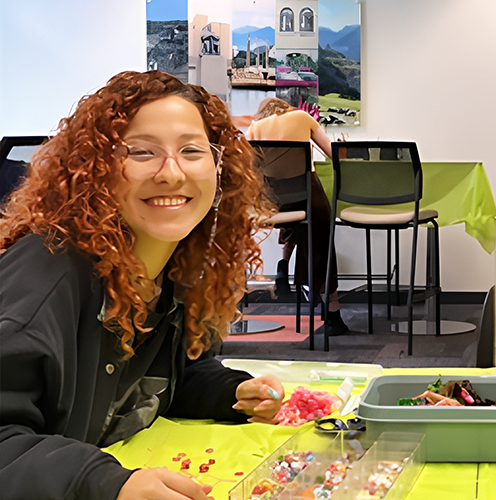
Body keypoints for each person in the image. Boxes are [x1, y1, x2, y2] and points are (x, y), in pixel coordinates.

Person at [0, 71, 287, 500]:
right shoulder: (48, 275)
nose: (171, 173)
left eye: (191, 150)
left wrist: (232, 391)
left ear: (218, 167)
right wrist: (105, 484)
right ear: (95, 167)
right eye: (141, 152)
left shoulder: (177, 266)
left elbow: (168, 376)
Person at [246, 97, 350, 335]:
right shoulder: (302, 117)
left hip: (272, 202)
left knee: (301, 224)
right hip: (306, 196)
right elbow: (333, 155)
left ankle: (286, 270)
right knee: (322, 234)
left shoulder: (254, 128)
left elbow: (248, 168)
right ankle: (332, 310)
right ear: (285, 108)